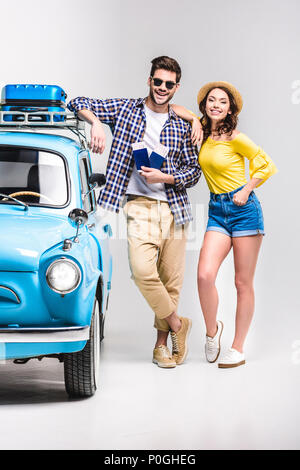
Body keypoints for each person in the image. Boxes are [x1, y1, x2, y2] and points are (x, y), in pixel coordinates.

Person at [67, 56, 202, 368]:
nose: (162, 88)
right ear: (149, 80)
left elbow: (194, 172)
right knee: (143, 271)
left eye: (169, 84)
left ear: (177, 87)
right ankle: (180, 326)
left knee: (171, 280)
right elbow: (78, 101)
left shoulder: (182, 124)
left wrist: (165, 177)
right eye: (158, 81)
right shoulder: (126, 109)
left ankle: (160, 347)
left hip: (176, 209)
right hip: (139, 207)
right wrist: (97, 123)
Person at [190, 81, 277, 368]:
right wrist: (193, 119)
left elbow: (266, 164)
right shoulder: (202, 134)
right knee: (204, 275)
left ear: (230, 109)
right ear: (205, 106)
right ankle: (213, 331)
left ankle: (238, 347)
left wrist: (247, 188)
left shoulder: (236, 137)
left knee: (242, 282)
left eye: (222, 102)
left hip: (244, 211)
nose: (216, 104)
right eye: (211, 100)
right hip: (217, 210)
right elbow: (177, 109)